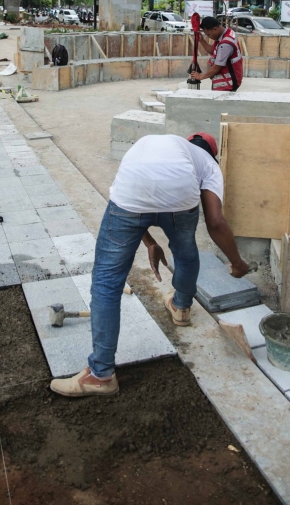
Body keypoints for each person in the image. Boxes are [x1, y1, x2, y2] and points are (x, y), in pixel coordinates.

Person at [50, 132, 250, 398]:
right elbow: (215, 221)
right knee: (185, 251)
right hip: (180, 195)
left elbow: (129, 203)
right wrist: (237, 263)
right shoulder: (208, 164)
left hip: (132, 191)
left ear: (188, 143)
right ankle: (181, 307)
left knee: (107, 283)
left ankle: (101, 375)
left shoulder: (159, 146)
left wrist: (148, 241)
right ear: (212, 154)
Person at [193, 16, 243, 92]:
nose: (209, 37)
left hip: (227, 83)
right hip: (224, 81)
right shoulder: (225, 34)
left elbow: (217, 67)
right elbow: (213, 51)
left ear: (215, 29)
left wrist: (201, 76)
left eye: (208, 34)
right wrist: (202, 40)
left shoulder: (225, 45)